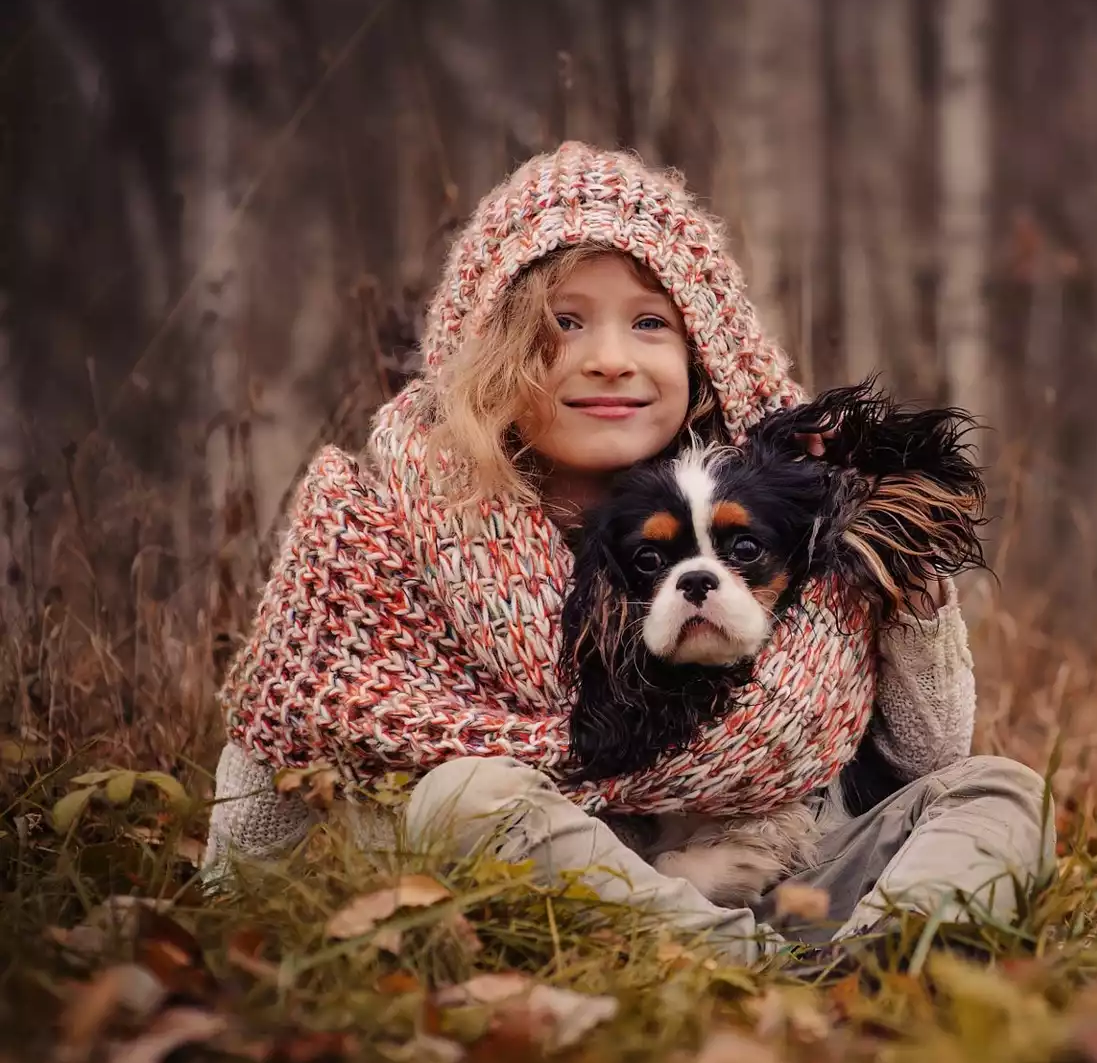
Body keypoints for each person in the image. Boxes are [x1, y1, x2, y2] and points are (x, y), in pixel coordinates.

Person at [205, 141, 1053, 962]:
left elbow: (927, 760)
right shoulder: (378, 524)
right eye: (563, 325)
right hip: (573, 889)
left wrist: (906, 592)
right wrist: (224, 910)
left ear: (702, 349)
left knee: (996, 792)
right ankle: (754, 966)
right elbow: (278, 732)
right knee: (465, 798)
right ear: (488, 353)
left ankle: (892, 946)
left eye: (650, 322)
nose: (611, 360)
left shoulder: (785, 499)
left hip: (802, 879)